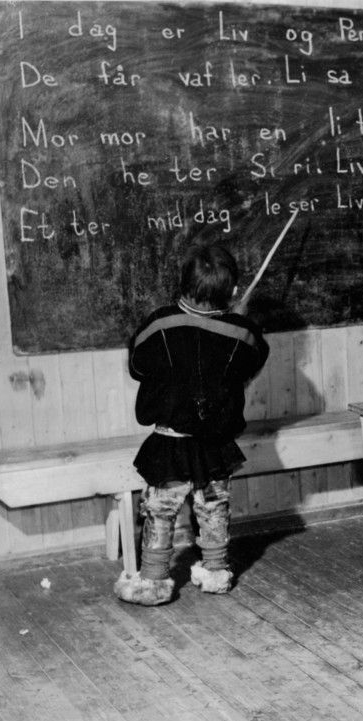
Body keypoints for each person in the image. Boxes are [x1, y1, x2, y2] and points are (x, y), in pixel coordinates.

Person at [114, 244, 269, 606]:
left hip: (170, 441)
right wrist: (234, 322)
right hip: (215, 444)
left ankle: (153, 582)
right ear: (233, 291)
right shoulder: (243, 333)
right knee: (213, 507)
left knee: (159, 510)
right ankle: (215, 572)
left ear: (182, 284)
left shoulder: (159, 324)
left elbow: (137, 365)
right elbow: (253, 360)